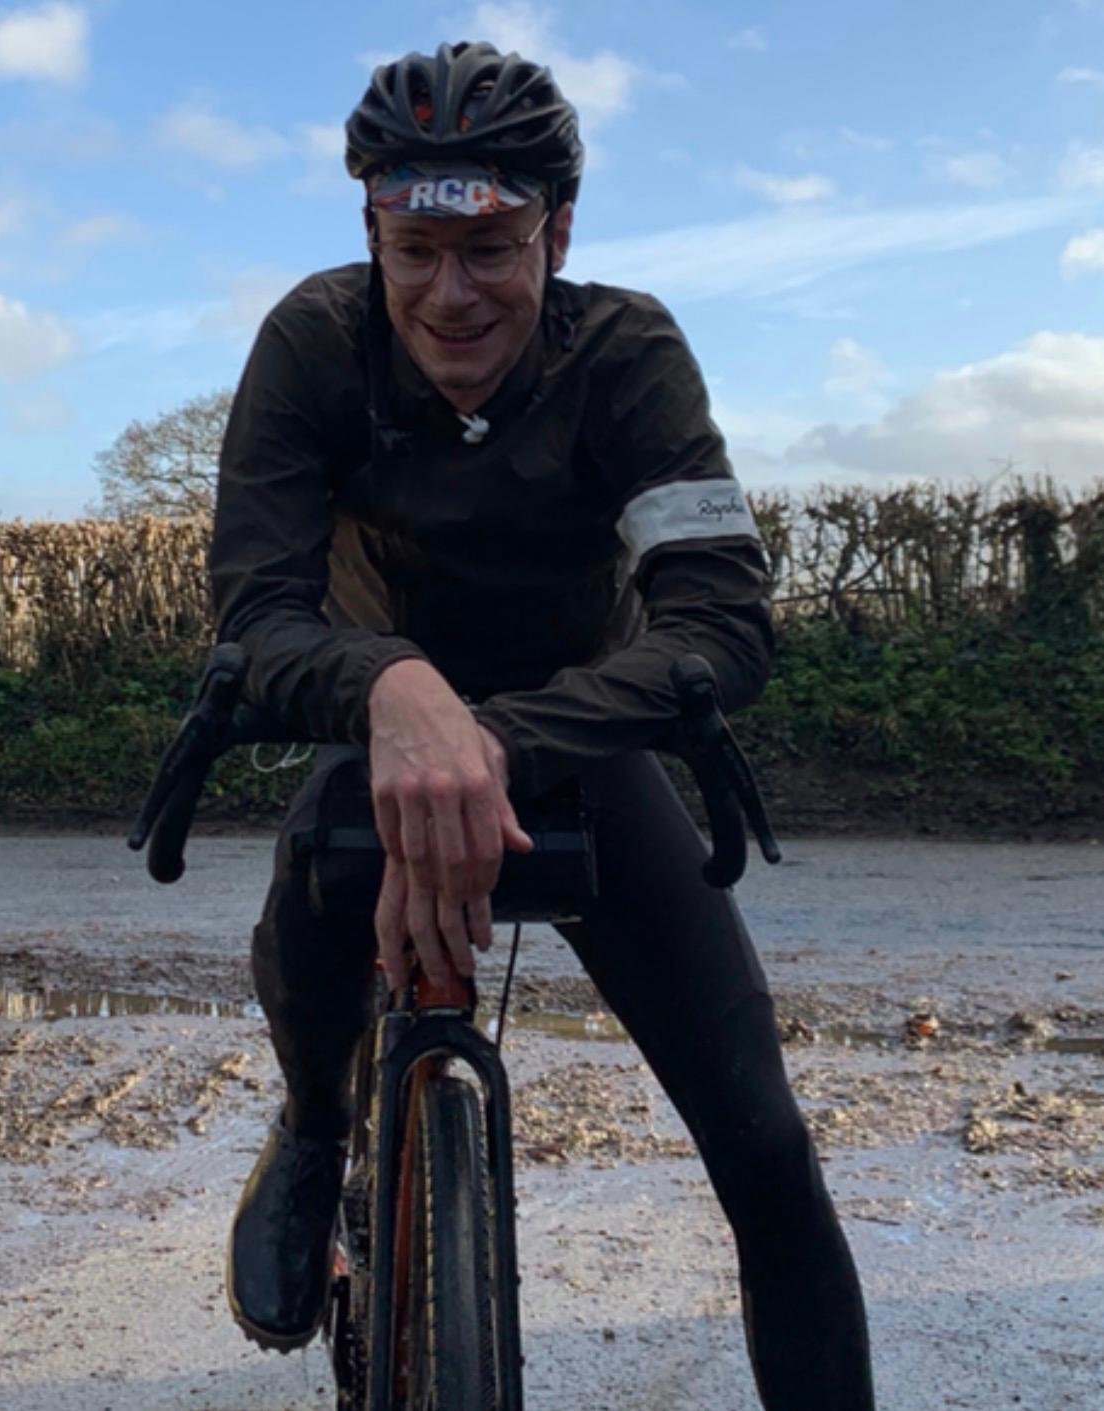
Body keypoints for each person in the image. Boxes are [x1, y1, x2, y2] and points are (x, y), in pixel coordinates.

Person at [210, 40, 875, 1409]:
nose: (449, 295)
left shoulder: (626, 352)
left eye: (492, 248)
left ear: (557, 235)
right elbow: (259, 614)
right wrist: (396, 690)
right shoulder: (312, 342)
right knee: (310, 916)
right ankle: (314, 1124)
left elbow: (718, 620)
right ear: (373, 233)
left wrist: (494, 740)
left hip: (579, 732)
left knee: (766, 1154)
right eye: (415, 250)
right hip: (372, 726)